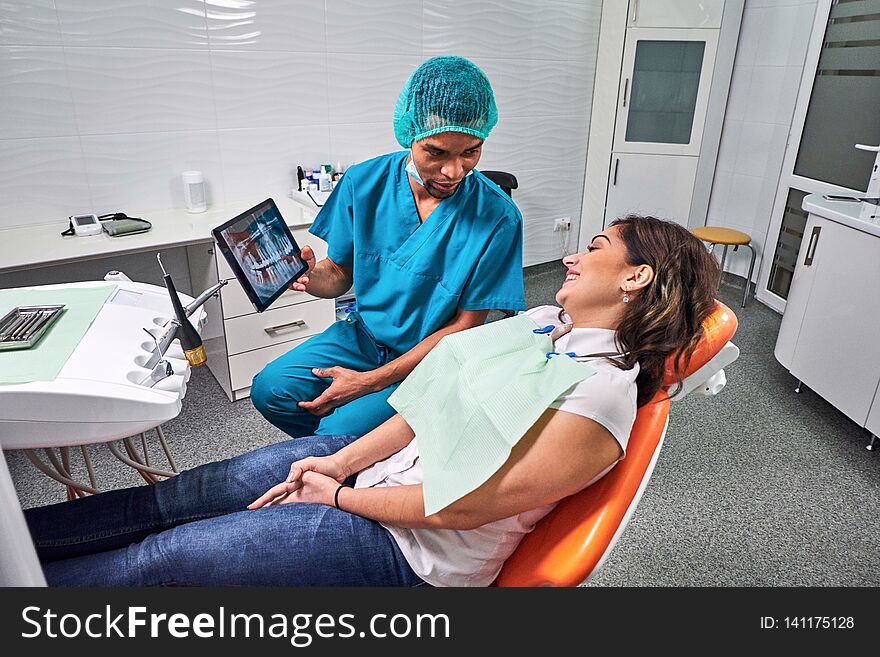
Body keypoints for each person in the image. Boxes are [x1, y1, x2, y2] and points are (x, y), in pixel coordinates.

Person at [25, 216, 720, 587]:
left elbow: (461, 505)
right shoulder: (544, 323)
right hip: (368, 472)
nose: (571, 256)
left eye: (593, 247)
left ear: (635, 275)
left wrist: (336, 499)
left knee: (167, 561)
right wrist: (335, 463)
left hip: (409, 546)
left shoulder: (599, 402)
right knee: (176, 496)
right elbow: (425, 403)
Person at [250, 56, 525, 439]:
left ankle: (351, 452)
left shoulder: (498, 217)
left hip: (435, 359)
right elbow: (339, 275)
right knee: (270, 390)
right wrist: (308, 276)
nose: (454, 171)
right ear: (408, 134)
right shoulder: (365, 182)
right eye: (436, 153)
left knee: (336, 433)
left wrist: (370, 383)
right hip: (364, 336)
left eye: (471, 152)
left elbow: (465, 327)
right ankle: (362, 457)